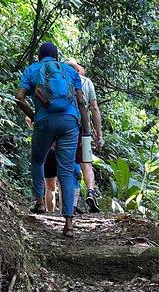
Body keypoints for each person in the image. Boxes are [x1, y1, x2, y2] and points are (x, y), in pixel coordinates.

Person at [15, 42, 91, 238]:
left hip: (44, 121)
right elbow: (81, 102)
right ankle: (69, 224)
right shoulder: (69, 71)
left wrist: (33, 115)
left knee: (38, 160)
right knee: (66, 171)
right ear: (57, 57)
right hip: (69, 123)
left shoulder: (32, 70)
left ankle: (40, 202)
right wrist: (87, 131)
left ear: (40, 56)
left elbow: (18, 98)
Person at [63, 58, 103, 213]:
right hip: (83, 127)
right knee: (86, 163)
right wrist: (99, 135)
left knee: (66, 164)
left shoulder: (58, 81)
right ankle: (91, 192)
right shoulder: (86, 82)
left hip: (65, 125)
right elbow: (94, 108)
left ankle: (69, 202)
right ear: (78, 69)